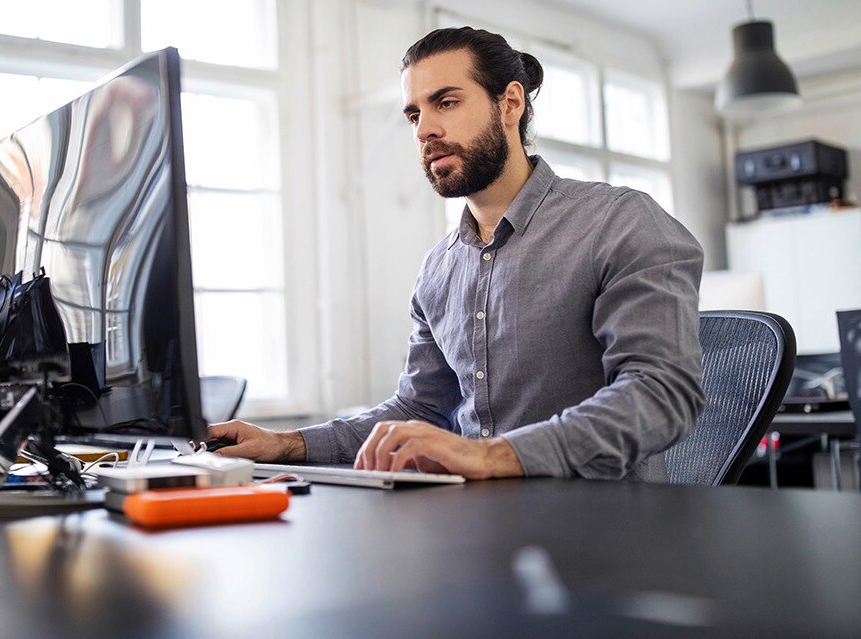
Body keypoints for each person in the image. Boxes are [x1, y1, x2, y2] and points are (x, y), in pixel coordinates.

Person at [208, 26, 705, 482]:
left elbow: (662, 393)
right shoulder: (438, 270)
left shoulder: (619, 222)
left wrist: (493, 456)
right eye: (414, 113)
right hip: (474, 527)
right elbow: (421, 409)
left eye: (445, 102)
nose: (424, 129)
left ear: (510, 103)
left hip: (601, 533)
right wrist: (286, 444)